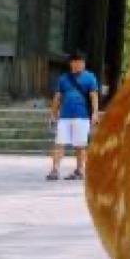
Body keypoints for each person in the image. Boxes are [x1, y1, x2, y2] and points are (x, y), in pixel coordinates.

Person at [47, 51, 100, 181]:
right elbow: (57, 97)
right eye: (75, 62)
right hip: (64, 116)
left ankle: (80, 170)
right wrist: (53, 114)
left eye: (80, 62)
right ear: (71, 63)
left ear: (84, 64)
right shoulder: (64, 78)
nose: (77, 65)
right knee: (59, 143)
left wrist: (95, 112)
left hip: (82, 116)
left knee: (80, 145)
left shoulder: (90, 77)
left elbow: (94, 96)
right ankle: (55, 170)